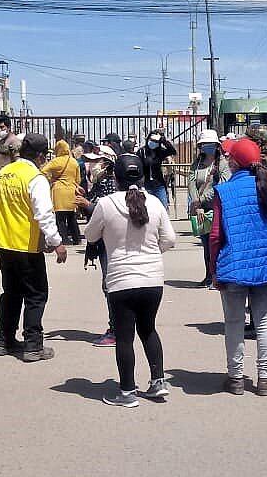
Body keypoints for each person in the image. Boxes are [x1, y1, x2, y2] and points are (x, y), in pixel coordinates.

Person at [85, 154, 176, 407]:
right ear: (143, 176)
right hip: (152, 280)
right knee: (148, 329)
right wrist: (151, 253)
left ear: (116, 177)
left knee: (125, 337)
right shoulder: (155, 202)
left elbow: (90, 235)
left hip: (121, 281)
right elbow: (169, 239)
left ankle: (127, 392)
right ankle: (158, 382)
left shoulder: (106, 203)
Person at [209, 137, 267, 396]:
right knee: (265, 321)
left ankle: (235, 379)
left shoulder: (225, 191)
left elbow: (216, 236)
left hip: (234, 265)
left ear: (234, 162)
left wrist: (213, 270)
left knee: (233, 322)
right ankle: (265, 379)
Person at [0, 132, 68, 362]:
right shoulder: (35, 177)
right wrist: (57, 243)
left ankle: (4, 340)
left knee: (11, 292)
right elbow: (43, 214)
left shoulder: (4, 173)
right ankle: (33, 344)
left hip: (4, 242)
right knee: (36, 294)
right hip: (26, 244)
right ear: (41, 156)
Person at [77, 144, 122, 347]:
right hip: (103, 242)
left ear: (106, 163)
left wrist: (88, 205)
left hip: (109, 242)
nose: (91, 165)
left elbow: (109, 211)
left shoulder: (110, 182)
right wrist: (86, 199)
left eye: (95, 161)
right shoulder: (100, 182)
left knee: (110, 285)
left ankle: (116, 329)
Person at [187, 129, 230, 287]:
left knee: (217, 243)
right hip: (201, 210)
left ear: (217, 145)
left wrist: (200, 199)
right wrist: (196, 203)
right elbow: (191, 183)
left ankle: (218, 275)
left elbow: (221, 185)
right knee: (206, 245)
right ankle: (208, 275)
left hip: (218, 208)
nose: (207, 147)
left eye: (210, 144)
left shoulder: (223, 164)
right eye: (204, 145)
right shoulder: (197, 164)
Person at [41, 139, 83, 245]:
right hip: (71, 191)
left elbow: (43, 171)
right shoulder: (74, 162)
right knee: (72, 217)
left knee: (60, 218)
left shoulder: (56, 161)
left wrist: (51, 180)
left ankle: (64, 239)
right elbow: (78, 180)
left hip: (59, 191)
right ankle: (77, 238)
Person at [140, 130, 176, 208]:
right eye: (152, 140)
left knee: (164, 207)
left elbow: (173, 151)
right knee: (148, 209)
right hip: (146, 186)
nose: (153, 142)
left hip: (159, 185)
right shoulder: (142, 151)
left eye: (156, 141)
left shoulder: (160, 152)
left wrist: (164, 141)